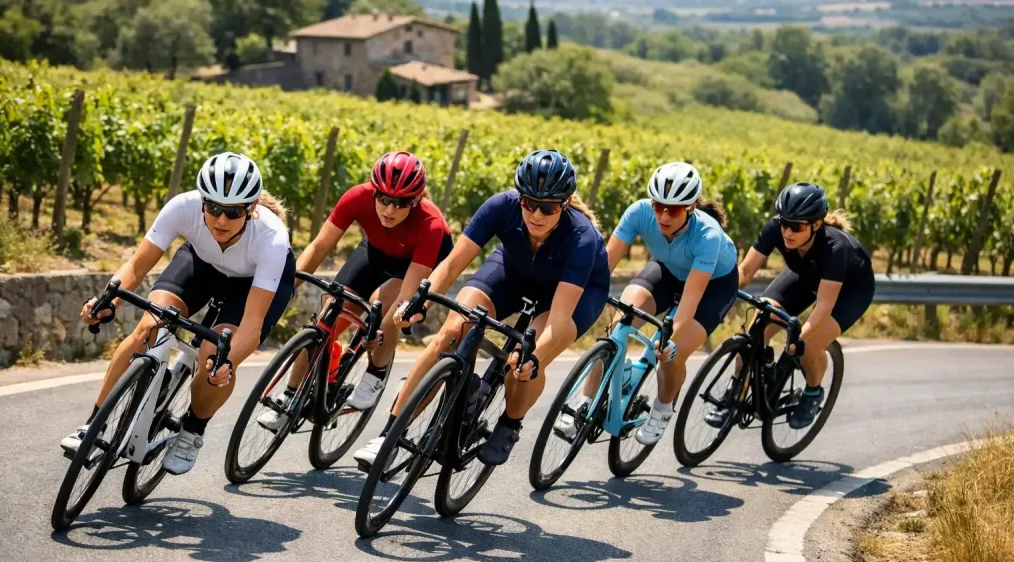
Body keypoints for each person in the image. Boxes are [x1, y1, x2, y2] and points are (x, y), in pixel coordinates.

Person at [352, 149, 610, 469]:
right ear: (519, 198)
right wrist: (418, 301)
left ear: (565, 203)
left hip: (571, 293)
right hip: (514, 270)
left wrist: (534, 358)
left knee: (522, 361)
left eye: (549, 207)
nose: (537, 215)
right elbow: (451, 266)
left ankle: (510, 424)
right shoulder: (500, 206)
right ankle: (388, 436)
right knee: (450, 332)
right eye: (529, 203)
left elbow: (558, 320)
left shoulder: (581, 237)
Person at [62, 152, 295, 474]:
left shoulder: (271, 239)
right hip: (202, 264)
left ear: (251, 208)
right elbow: (137, 265)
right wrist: (108, 301)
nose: (221, 220)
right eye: (213, 208)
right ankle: (93, 426)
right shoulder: (182, 207)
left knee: (214, 353)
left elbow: (252, 326)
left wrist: (226, 362)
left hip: (251, 283)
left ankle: (193, 430)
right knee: (150, 327)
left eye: (233, 212)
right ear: (201, 202)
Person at [256, 151, 453, 429]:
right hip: (375, 251)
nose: (389, 209)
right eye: (383, 199)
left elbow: (405, 296)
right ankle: (289, 398)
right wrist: (287, 287)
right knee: (327, 318)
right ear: (373, 191)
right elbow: (319, 247)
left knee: (387, 305)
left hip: (418, 263)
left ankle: (376, 372)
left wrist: (395, 319)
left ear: (416, 200)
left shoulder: (430, 224)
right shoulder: (357, 196)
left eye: (400, 203)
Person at [567, 162, 738, 446]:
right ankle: (583, 400)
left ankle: (662, 407)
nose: (664, 215)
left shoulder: (708, 235)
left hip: (712, 286)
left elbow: (690, 301)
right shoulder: (639, 212)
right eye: (658, 206)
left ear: (691, 208)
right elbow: (602, 268)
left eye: (674, 210)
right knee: (620, 322)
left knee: (671, 354)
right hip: (668, 269)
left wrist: (670, 336)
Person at [733, 182, 874, 429]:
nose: (787, 232)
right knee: (756, 326)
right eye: (784, 222)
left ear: (816, 225)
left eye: (796, 227)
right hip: (806, 275)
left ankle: (812, 391)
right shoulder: (777, 228)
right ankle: (734, 396)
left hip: (850, 290)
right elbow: (744, 272)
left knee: (806, 346)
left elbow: (824, 305)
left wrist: (797, 342)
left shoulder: (835, 248)